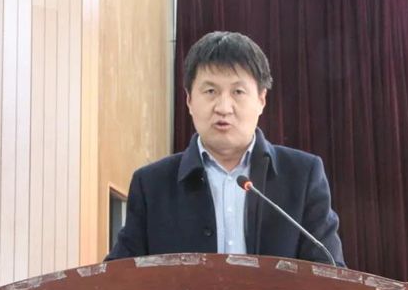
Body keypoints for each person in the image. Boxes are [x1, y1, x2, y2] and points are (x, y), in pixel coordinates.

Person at [105, 31, 345, 266]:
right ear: (189, 100)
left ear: (261, 100)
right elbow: (120, 276)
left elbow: (331, 273)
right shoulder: (151, 185)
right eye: (210, 91)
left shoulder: (302, 175)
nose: (223, 107)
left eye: (238, 92)